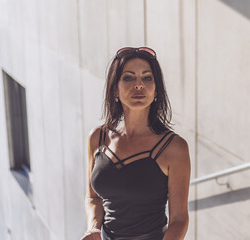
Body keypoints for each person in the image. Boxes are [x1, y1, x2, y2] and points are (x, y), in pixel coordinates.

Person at [80, 47, 191, 240]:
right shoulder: (97, 138)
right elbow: (93, 197)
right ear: (115, 88)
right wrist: (93, 228)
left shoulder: (174, 148)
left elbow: (179, 220)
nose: (139, 85)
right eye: (129, 78)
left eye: (147, 78)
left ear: (156, 90)